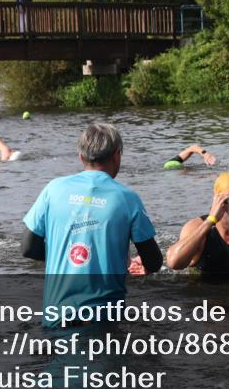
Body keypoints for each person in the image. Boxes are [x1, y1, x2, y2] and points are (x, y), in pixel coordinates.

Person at [20, 121, 162, 326]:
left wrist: (65, 257)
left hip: (57, 315)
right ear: (117, 155)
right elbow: (154, 262)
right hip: (104, 318)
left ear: (81, 157)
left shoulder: (53, 189)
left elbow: (27, 248)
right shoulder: (127, 198)